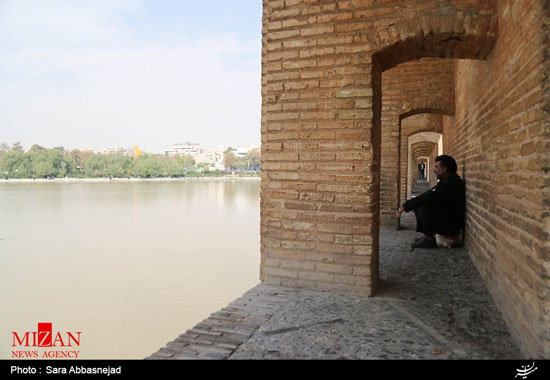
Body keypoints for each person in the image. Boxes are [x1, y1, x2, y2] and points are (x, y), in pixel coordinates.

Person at [398, 155, 465, 249]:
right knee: (420, 204)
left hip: (450, 225)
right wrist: (409, 205)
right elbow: (430, 194)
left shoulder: (449, 184)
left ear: (444, 169)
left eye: (437, 167)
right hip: (448, 218)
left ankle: (429, 239)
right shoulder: (448, 181)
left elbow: (429, 196)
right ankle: (428, 236)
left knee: (424, 207)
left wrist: (406, 206)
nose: (434, 169)